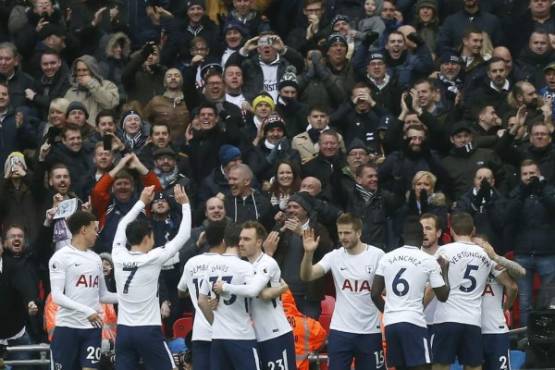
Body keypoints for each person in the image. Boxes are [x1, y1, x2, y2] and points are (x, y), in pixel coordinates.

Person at [111, 184, 191, 370]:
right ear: (147, 238)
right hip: (147, 331)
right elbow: (184, 235)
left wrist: (141, 202)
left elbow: (122, 225)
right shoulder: (153, 258)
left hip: (123, 331)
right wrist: (185, 205)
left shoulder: (117, 255)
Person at [300, 213, 385, 370]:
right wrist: (308, 253)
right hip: (341, 331)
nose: (343, 237)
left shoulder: (377, 255)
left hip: (370, 331)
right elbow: (307, 275)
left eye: (347, 233)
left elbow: (386, 289)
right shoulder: (334, 256)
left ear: (358, 233)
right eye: (340, 233)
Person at [431, 212, 516, 370]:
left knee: (440, 365)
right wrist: (504, 308)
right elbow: (511, 286)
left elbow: (431, 284)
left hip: (446, 318)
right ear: (473, 230)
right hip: (472, 321)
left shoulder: (443, 251)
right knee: (473, 366)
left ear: (451, 230)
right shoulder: (485, 254)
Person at [213, 221, 295, 370]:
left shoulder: (268, 263)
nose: (241, 243)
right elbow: (259, 294)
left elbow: (254, 291)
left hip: (275, 334)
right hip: (255, 336)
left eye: (246, 239)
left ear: (259, 242)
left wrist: (225, 287)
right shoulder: (243, 267)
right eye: (240, 239)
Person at [371, 220, 450, 370]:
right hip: (414, 323)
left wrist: (389, 311)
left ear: (402, 236)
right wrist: (445, 271)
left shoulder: (386, 257)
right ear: (421, 237)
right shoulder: (428, 260)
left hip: (391, 324)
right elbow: (443, 295)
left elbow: (375, 294)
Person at [48, 210, 118, 370]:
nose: (97, 234)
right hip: (67, 329)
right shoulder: (60, 257)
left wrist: (128, 297)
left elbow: (104, 295)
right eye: (94, 229)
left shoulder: (96, 259)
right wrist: (87, 311)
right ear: (83, 229)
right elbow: (57, 296)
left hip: (92, 330)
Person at [197, 224, 260, 370]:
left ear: (224, 241)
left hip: (218, 337)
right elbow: (255, 292)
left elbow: (201, 301)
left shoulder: (210, 266)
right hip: (242, 336)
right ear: (241, 243)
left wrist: (216, 323)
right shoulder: (245, 267)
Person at [177, 219, 227, 370]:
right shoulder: (229, 263)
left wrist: (193, 292)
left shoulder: (192, 262)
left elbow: (180, 291)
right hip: (225, 331)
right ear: (225, 240)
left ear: (205, 238)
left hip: (201, 332)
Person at [473, 235, 522, 370]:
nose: (478, 250)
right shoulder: (465, 267)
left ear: (488, 246)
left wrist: (506, 306)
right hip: (473, 329)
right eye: (474, 246)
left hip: (496, 329)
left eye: (481, 246)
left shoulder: (496, 264)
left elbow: (517, 280)